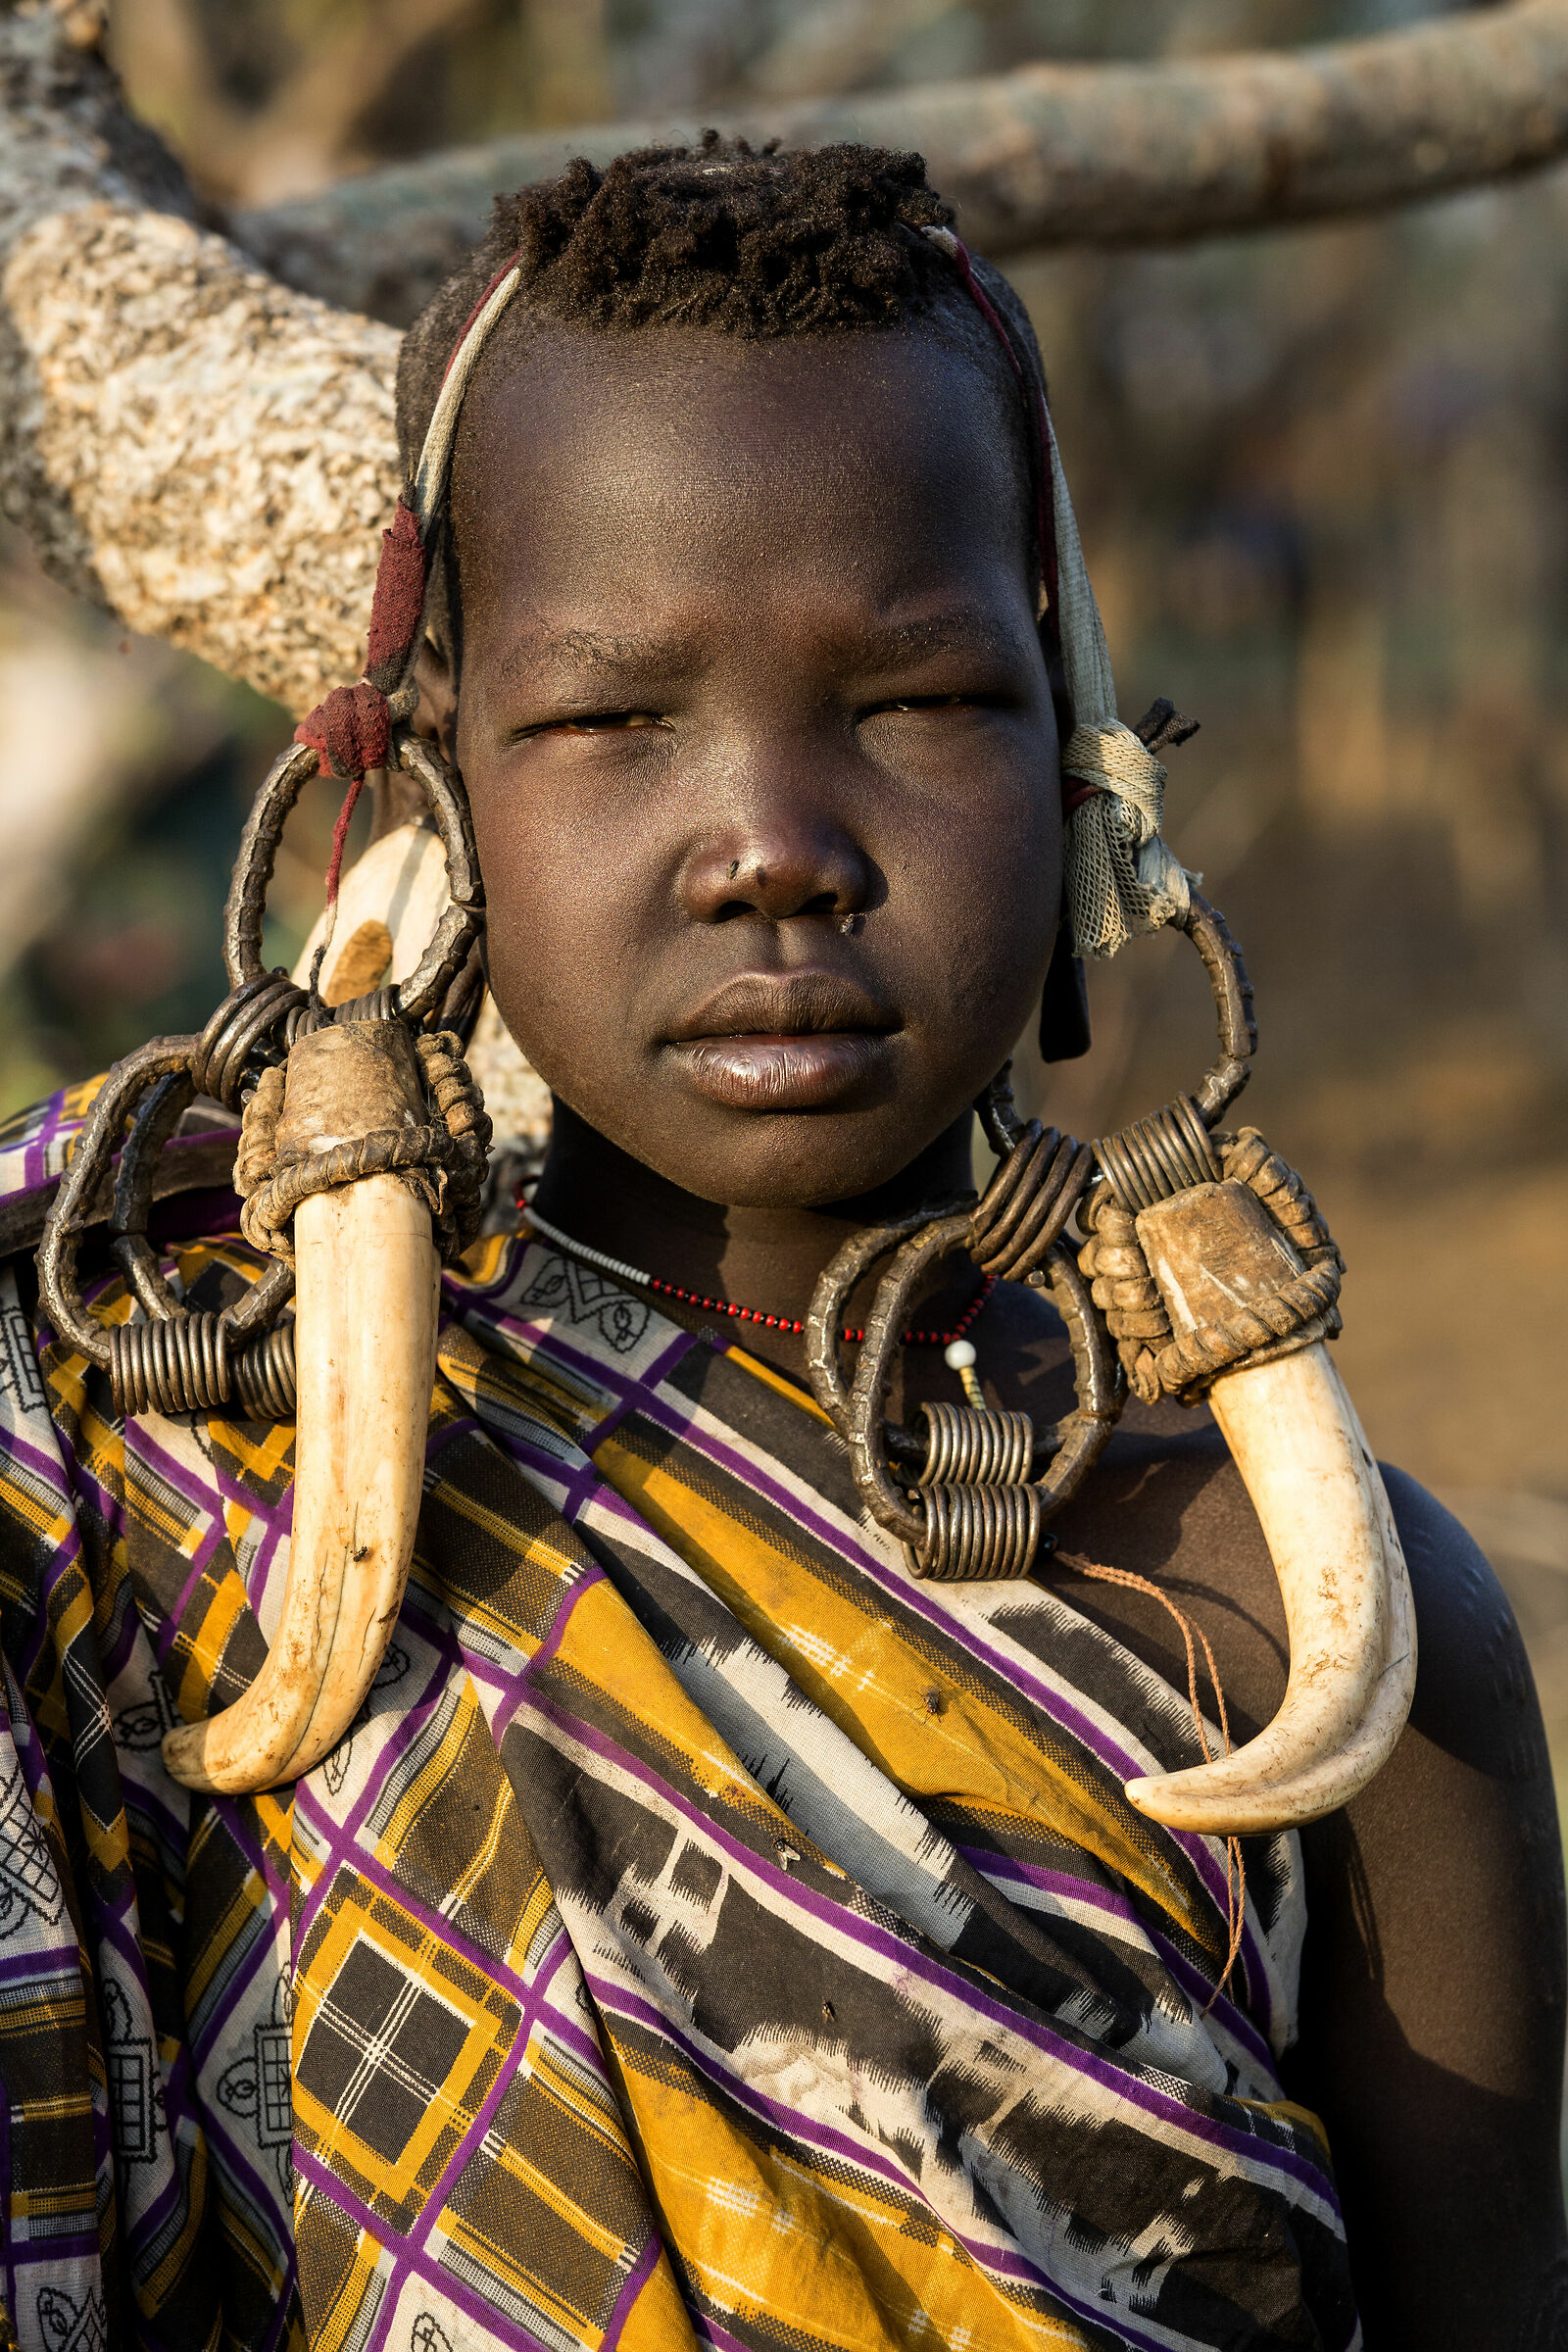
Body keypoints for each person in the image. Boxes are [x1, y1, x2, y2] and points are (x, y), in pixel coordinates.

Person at [0, 139, 1562, 2352]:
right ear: (437, 778)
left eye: (914, 703)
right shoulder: (171, 1507)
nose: (768, 847)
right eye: (611, 720)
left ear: (1082, 764)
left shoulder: (1331, 1633)